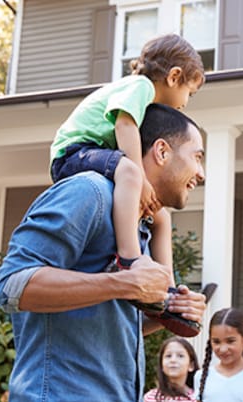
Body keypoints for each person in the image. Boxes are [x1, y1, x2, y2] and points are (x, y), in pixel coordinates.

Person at [0, 103, 208, 402]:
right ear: (161, 151)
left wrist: (166, 313)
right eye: (197, 157)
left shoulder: (142, 227)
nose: (201, 173)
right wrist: (122, 282)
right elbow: (11, 285)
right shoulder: (88, 192)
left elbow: (112, 314)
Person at [49, 34, 205, 335]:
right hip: (73, 151)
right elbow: (124, 126)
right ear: (174, 77)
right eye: (189, 92)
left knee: (161, 216)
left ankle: (169, 294)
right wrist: (140, 176)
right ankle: (130, 258)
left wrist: (165, 307)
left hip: (92, 153)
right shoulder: (139, 86)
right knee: (129, 172)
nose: (185, 103)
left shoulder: (141, 97)